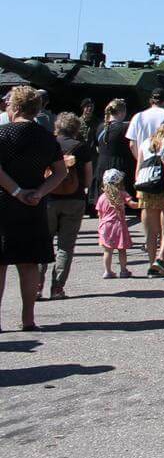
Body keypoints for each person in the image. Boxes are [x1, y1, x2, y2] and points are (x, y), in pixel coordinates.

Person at [0, 86, 68, 332]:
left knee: (0, 264)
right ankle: (28, 319)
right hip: (33, 205)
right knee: (28, 264)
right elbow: (61, 172)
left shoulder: (2, 134)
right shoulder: (47, 137)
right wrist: (39, 192)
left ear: (15, 107)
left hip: (4, 203)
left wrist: (16, 191)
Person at [47, 112, 94, 299]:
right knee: (66, 246)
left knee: (44, 243)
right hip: (74, 199)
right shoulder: (81, 148)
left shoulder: (49, 144)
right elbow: (89, 178)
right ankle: (57, 288)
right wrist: (83, 189)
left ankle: (37, 285)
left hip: (49, 198)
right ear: (76, 128)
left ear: (57, 126)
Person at [134, 117, 164, 278]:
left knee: (150, 231)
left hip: (145, 188)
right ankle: (160, 258)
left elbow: (139, 167)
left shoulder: (146, 142)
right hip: (163, 187)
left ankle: (150, 265)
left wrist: (138, 189)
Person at [92, 99, 136, 206]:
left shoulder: (100, 127)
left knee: (104, 199)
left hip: (101, 166)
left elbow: (97, 146)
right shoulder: (125, 127)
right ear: (122, 112)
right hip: (119, 167)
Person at [96, 168, 139, 278]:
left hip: (106, 226)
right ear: (120, 182)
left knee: (107, 251)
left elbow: (100, 215)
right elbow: (133, 205)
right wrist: (144, 203)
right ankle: (123, 271)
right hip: (119, 225)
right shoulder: (122, 194)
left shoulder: (102, 197)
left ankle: (107, 271)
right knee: (121, 249)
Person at [126, 87, 164, 163]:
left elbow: (132, 145)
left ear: (151, 100)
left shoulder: (138, 117)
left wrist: (142, 163)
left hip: (145, 169)